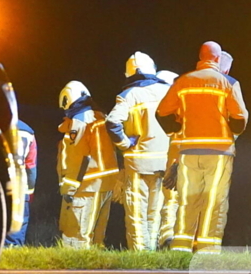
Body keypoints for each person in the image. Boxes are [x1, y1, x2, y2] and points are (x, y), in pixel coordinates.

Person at [156, 42, 248, 253]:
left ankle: (181, 248)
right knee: (214, 201)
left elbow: (162, 112)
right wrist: (229, 129)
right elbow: (240, 118)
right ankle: (207, 250)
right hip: (219, 152)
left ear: (200, 56)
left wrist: (177, 128)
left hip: (188, 151)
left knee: (188, 200)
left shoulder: (183, 82)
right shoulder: (228, 82)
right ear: (217, 58)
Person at [106, 52, 171, 250]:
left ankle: (140, 255)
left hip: (138, 163)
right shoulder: (168, 91)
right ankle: (151, 252)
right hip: (164, 162)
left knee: (137, 213)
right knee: (155, 211)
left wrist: (125, 144)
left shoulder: (130, 94)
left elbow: (112, 122)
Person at [57, 81, 118, 249]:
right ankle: (96, 270)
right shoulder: (100, 116)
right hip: (106, 185)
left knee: (78, 235)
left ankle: (76, 271)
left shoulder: (80, 121)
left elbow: (78, 157)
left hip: (87, 186)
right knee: (97, 235)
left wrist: (69, 188)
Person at [155, 70, 180, 249]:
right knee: (173, 201)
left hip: (157, 163)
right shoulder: (175, 107)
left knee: (166, 202)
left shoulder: (161, 107)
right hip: (171, 161)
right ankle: (169, 239)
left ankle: (165, 239)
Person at [5, 120, 38, 246]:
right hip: (19, 188)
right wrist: (30, 192)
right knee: (15, 234)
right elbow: (30, 167)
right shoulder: (27, 131)